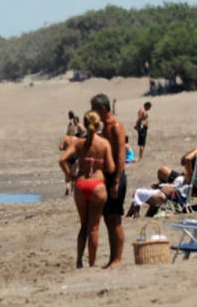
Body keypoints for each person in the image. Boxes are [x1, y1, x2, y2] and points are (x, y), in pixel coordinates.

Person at [59, 111, 114, 268]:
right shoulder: (103, 144)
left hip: (81, 184)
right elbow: (110, 167)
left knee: (83, 226)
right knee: (94, 227)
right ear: (97, 125)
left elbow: (62, 159)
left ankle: (78, 261)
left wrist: (71, 176)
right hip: (97, 185)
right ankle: (91, 263)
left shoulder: (79, 143)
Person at [91, 93, 126, 269]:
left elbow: (120, 155)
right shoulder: (103, 127)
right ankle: (113, 259)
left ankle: (118, 259)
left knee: (115, 218)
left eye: (94, 108)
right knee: (108, 219)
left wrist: (117, 181)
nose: (92, 112)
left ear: (103, 109)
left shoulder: (116, 126)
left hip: (116, 177)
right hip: (106, 177)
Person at [156, 126, 197, 195]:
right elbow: (183, 160)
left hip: (192, 185)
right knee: (163, 172)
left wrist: (190, 176)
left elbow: (186, 159)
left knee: (161, 172)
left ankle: (166, 191)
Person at [59, 126, 78, 196]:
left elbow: (60, 148)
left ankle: (67, 187)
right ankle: (73, 191)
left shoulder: (65, 138)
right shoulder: (76, 139)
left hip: (67, 158)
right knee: (74, 174)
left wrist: (65, 148)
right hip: (75, 158)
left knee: (67, 175)